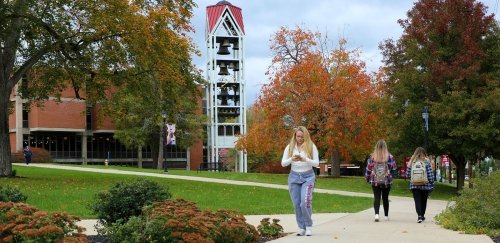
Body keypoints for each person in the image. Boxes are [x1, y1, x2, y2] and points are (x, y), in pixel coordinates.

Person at [281, 126, 319, 236]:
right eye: (298, 136)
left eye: (302, 137)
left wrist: (305, 159)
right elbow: (283, 163)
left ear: (306, 136)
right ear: (295, 136)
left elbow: (316, 163)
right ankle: (301, 227)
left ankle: (308, 226)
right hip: (294, 177)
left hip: (308, 177)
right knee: (297, 204)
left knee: (305, 202)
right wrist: (291, 159)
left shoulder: (311, 147)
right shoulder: (290, 147)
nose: (300, 138)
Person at [365, 139, 397, 222]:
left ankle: (376, 215)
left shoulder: (372, 157)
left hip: (375, 180)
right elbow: (394, 169)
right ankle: (386, 216)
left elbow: (368, 169)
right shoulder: (390, 157)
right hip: (387, 181)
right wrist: (391, 177)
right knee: (385, 198)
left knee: (377, 197)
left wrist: (368, 178)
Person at [406, 147, 434, 223]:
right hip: (425, 185)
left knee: (417, 201)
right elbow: (430, 174)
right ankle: (422, 215)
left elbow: (407, 174)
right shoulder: (427, 161)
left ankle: (419, 216)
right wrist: (431, 182)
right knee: (424, 201)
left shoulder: (412, 161)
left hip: (414, 185)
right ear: (424, 153)